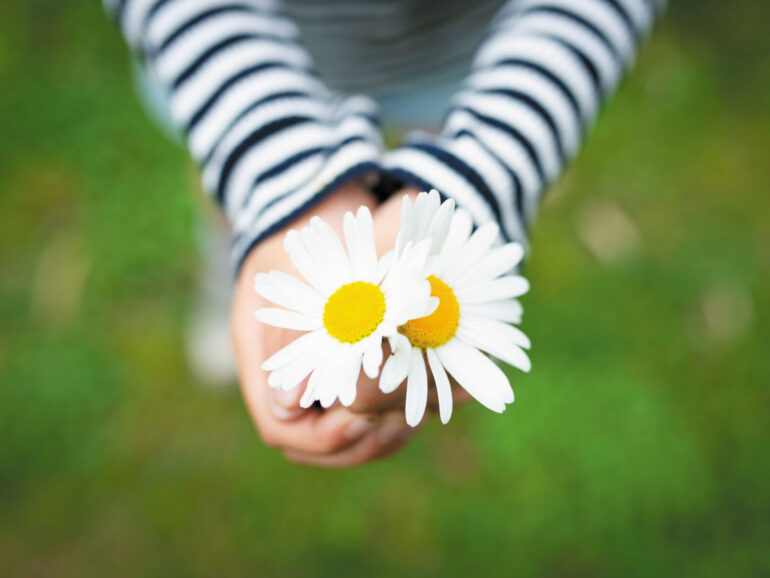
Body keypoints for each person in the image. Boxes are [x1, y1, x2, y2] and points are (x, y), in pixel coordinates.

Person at [103, 0, 663, 467]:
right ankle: (229, 279)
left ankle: (253, 266)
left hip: (474, 58)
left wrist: (486, 164)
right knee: (234, 205)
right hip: (238, 63)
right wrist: (282, 182)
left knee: (427, 182)